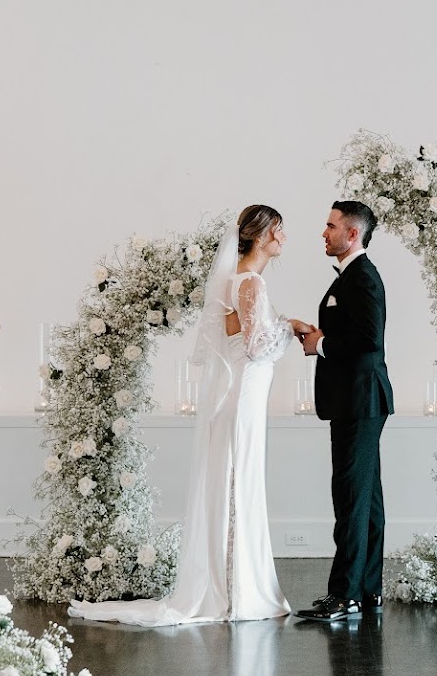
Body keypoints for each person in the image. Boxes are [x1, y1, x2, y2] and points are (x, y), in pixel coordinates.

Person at [68, 205, 296, 625]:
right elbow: (255, 347)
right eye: (279, 230)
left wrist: (281, 323)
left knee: (237, 484)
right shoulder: (250, 283)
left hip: (240, 401)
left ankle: (234, 586)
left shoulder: (238, 282)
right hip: (243, 401)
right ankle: (238, 593)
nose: (285, 238)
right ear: (262, 235)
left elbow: (239, 336)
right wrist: (289, 330)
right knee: (236, 486)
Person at [288, 200, 394, 622]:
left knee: (350, 498)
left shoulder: (363, 278)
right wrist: (319, 334)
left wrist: (321, 345)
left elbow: (369, 340)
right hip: (359, 400)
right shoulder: (352, 278)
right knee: (367, 501)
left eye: (330, 226)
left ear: (353, 234)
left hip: (360, 400)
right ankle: (368, 591)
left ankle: (344, 595)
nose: (323, 233)